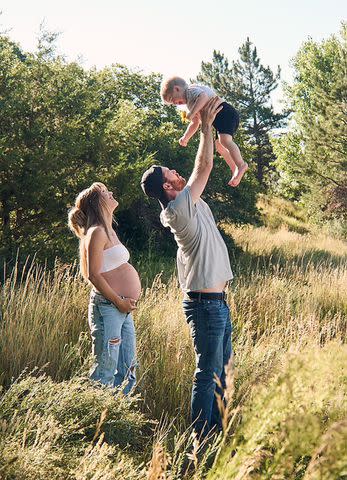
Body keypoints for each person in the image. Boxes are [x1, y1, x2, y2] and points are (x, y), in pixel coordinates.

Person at [141, 97, 233, 438]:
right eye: (172, 174)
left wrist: (217, 135)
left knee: (222, 373)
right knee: (206, 373)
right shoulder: (179, 209)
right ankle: (199, 441)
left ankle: (217, 435)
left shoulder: (189, 203)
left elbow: (207, 166)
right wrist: (205, 127)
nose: (179, 173)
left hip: (218, 303)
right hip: (206, 306)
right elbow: (203, 168)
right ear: (168, 186)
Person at [68, 182, 141, 394]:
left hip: (123, 309)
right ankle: (97, 421)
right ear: (97, 203)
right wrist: (119, 302)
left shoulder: (109, 230)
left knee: (127, 369)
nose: (110, 192)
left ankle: (119, 421)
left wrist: (124, 304)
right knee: (106, 370)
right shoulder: (97, 232)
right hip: (110, 307)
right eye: (104, 192)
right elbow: (93, 275)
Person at [160, 76, 248, 187]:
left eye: (174, 100)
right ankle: (235, 168)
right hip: (218, 119)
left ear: (177, 89)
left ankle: (241, 164)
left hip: (225, 112)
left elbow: (204, 97)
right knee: (219, 146)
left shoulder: (191, 91)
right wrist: (186, 137)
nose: (176, 104)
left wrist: (192, 112)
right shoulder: (190, 104)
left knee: (225, 140)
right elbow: (195, 123)